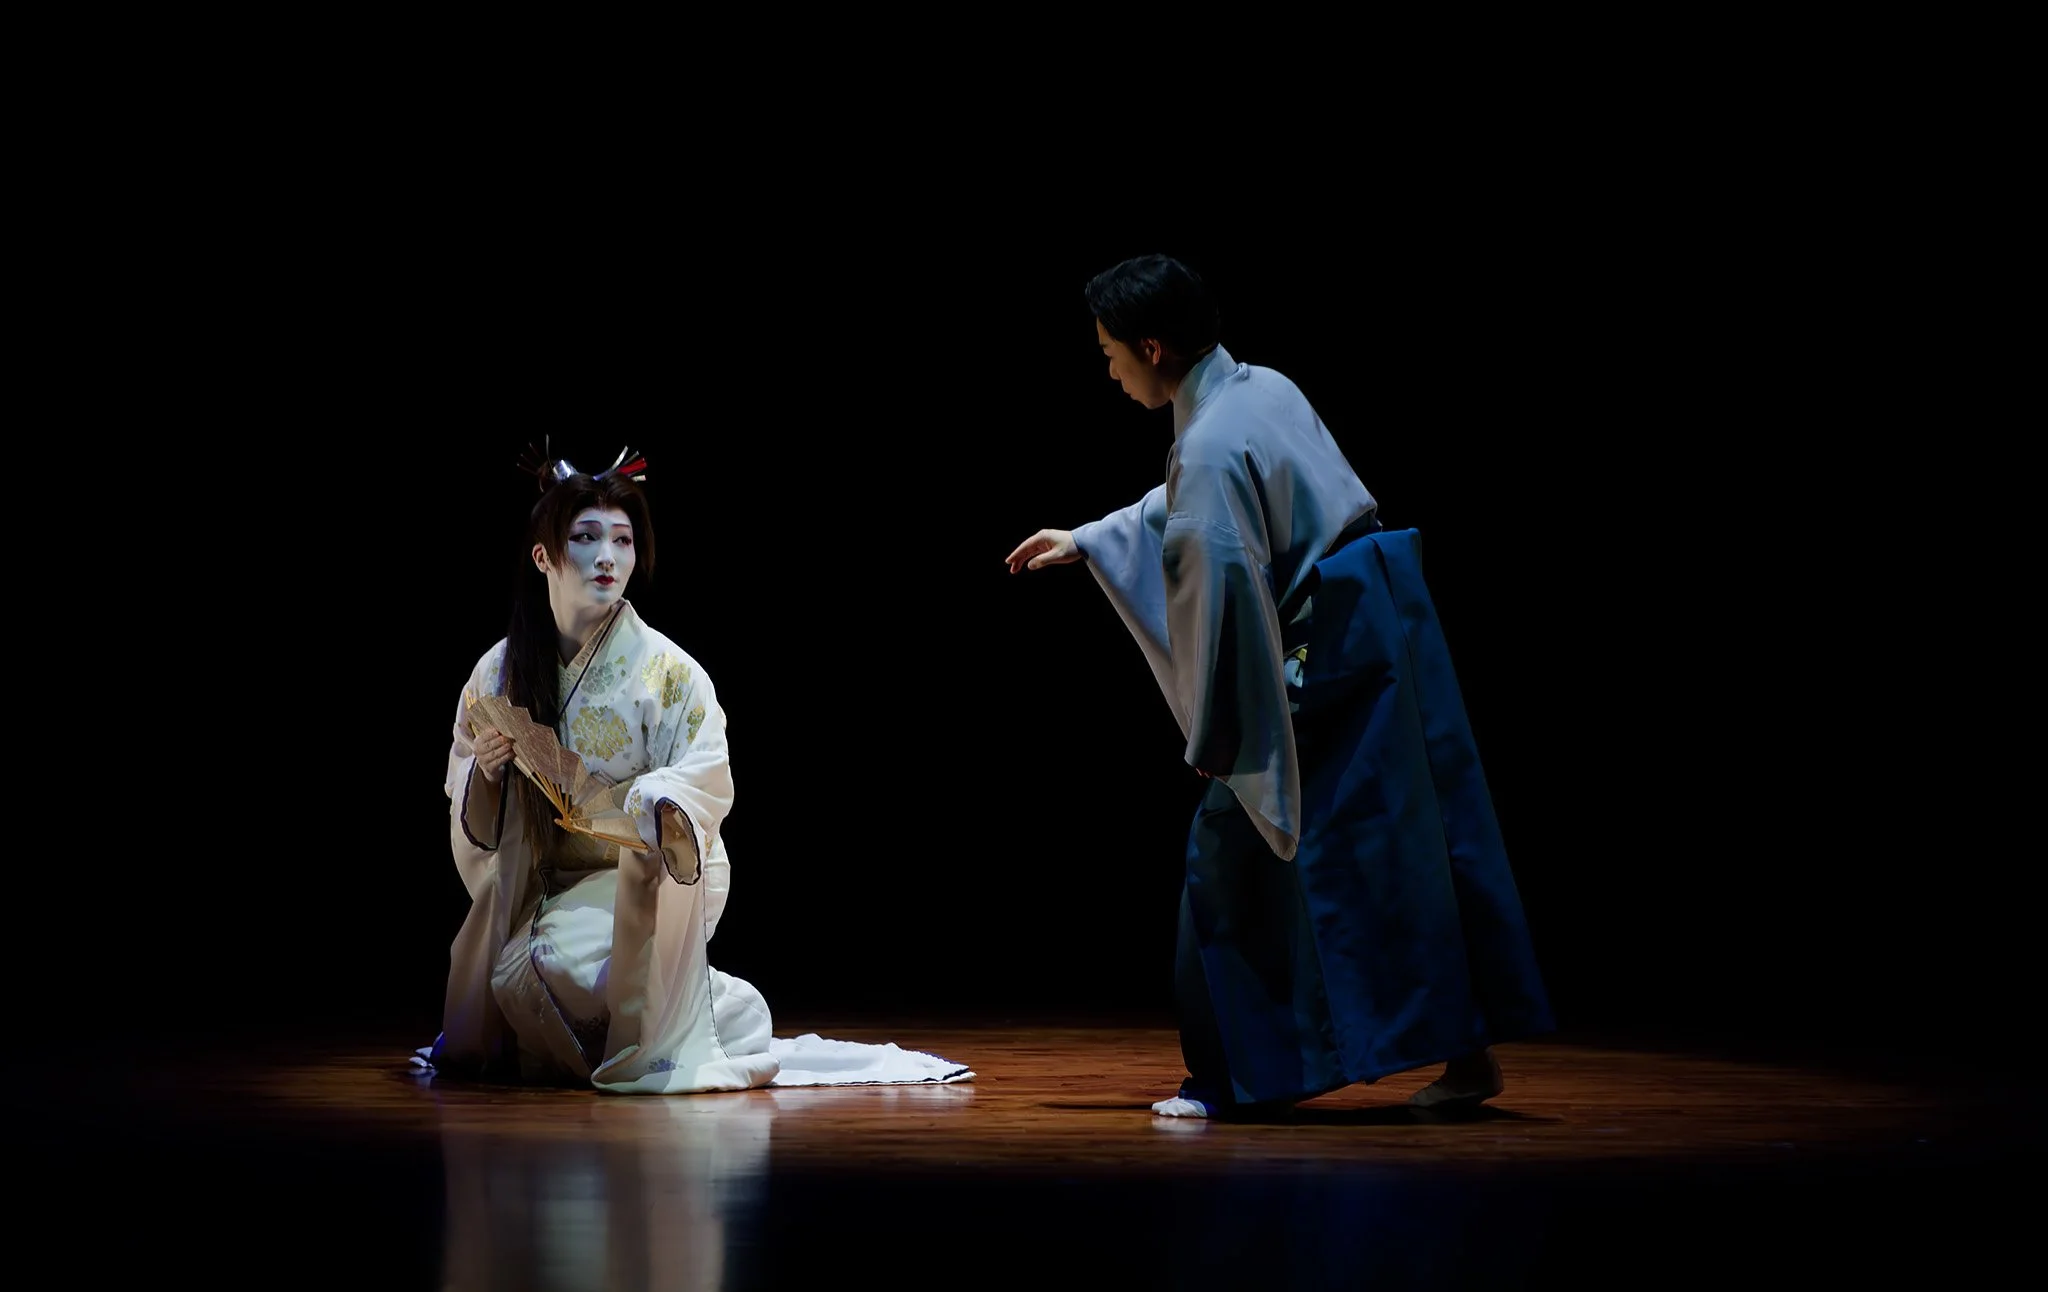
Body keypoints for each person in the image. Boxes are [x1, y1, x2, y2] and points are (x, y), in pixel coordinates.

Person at [1006, 255, 1553, 1119]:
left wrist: (1218, 732)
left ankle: (1228, 1078)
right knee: (1405, 845)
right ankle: (1467, 1053)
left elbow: (1221, 583)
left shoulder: (1210, 443)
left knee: (1231, 851)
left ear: (1152, 347)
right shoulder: (1261, 387)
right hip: (1382, 620)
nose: (1109, 370)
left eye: (1110, 353)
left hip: (1327, 647)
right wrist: (1094, 536)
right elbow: (1205, 500)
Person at [422, 444, 971, 1094]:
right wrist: (486, 775)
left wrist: (654, 798)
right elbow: (469, 798)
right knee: (520, 975)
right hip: (542, 887)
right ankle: (694, 1014)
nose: (607, 557)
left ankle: (693, 1016)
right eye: (586, 537)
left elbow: (708, 774)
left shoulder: (669, 673)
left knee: (549, 967)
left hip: (642, 876)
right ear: (543, 556)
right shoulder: (499, 672)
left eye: (622, 540)